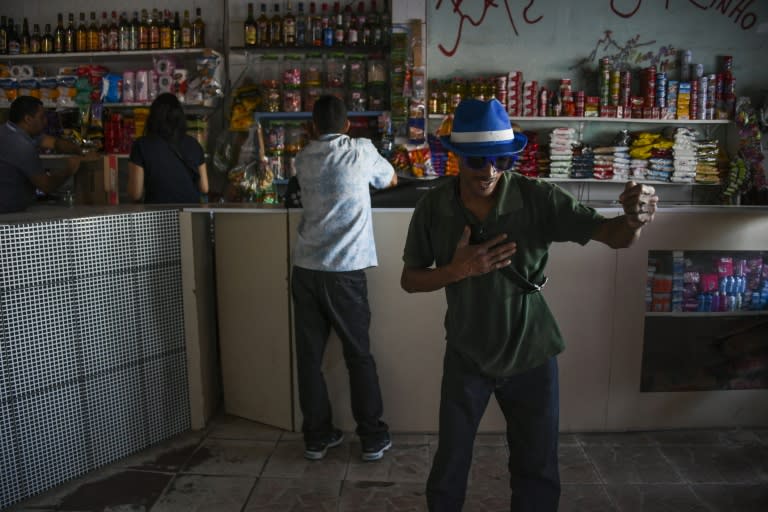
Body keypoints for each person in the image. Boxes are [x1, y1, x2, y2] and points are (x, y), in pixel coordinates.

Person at [400, 98, 659, 511]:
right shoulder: (434, 207)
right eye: (477, 161)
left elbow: (612, 236)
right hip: (467, 353)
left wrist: (633, 221)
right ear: (456, 159)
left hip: (532, 352)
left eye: (501, 159)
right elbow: (410, 279)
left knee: (537, 468)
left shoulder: (537, 198)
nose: (489, 171)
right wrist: (456, 270)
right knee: (450, 465)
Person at [291, 94, 398, 462]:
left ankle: (316, 438)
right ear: (348, 125)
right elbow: (390, 180)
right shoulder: (361, 150)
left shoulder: (301, 157)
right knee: (359, 357)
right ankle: (371, 437)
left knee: (309, 359)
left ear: (313, 126)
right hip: (345, 273)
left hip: (305, 270)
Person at [0, 95, 84, 214]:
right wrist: (70, 169)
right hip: (7, 215)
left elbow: (53, 143)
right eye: (42, 117)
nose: (46, 122)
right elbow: (46, 185)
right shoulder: (21, 146)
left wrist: (76, 149)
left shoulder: (7, 130)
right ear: (28, 119)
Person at [128, 93, 209, 203]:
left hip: (157, 215)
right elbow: (204, 187)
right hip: (189, 215)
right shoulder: (193, 144)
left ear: (153, 117)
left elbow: (135, 194)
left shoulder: (141, 145)